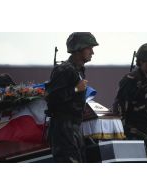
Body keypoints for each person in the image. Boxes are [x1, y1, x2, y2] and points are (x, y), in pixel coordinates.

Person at [45, 32, 99, 163]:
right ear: (79, 48)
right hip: (63, 129)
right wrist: (76, 89)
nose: (92, 52)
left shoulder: (78, 70)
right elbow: (51, 98)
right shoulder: (64, 70)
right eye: (89, 48)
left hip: (74, 128)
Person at [113, 43, 147, 162]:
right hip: (132, 136)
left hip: (146, 135)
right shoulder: (131, 80)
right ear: (141, 62)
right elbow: (118, 110)